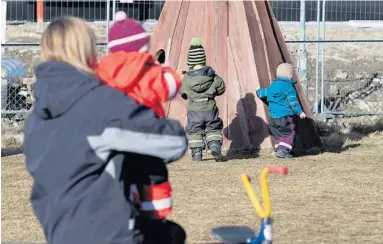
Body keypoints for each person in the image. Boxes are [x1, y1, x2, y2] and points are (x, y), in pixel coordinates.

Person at [23, 16, 187, 244]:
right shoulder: (97, 103)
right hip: (109, 233)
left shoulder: (36, 119)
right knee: (171, 234)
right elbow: (172, 142)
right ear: (86, 51)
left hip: (59, 232)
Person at [97, 12, 186, 244]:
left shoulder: (102, 72)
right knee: (154, 172)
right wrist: (165, 69)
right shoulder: (148, 72)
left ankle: (132, 204)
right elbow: (171, 86)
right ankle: (156, 211)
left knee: (126, 174)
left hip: (119, 138)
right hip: (147, 134)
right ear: (141, 47)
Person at [179, 37, 226, 161]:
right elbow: (221, 88)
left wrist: (187, 94)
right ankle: (214, 145)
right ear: (203, 59)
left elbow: (182, 92)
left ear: (190, 61)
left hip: (194, 110)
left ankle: (197, 154)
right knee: (213, 127)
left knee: (194, 131)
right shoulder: (212, 76)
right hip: (210, 108)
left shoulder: (187, 79)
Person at [256, 63, 306, 159]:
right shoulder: (288, 87)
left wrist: (258, 91)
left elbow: (263, 92)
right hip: (285, 116)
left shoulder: (272, 86)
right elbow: (293, 102)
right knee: (289, 132)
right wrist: (300, 112)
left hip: (273, 118)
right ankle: (282, 151)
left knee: (279, 135)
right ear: (290, 75)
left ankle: (280, 149)